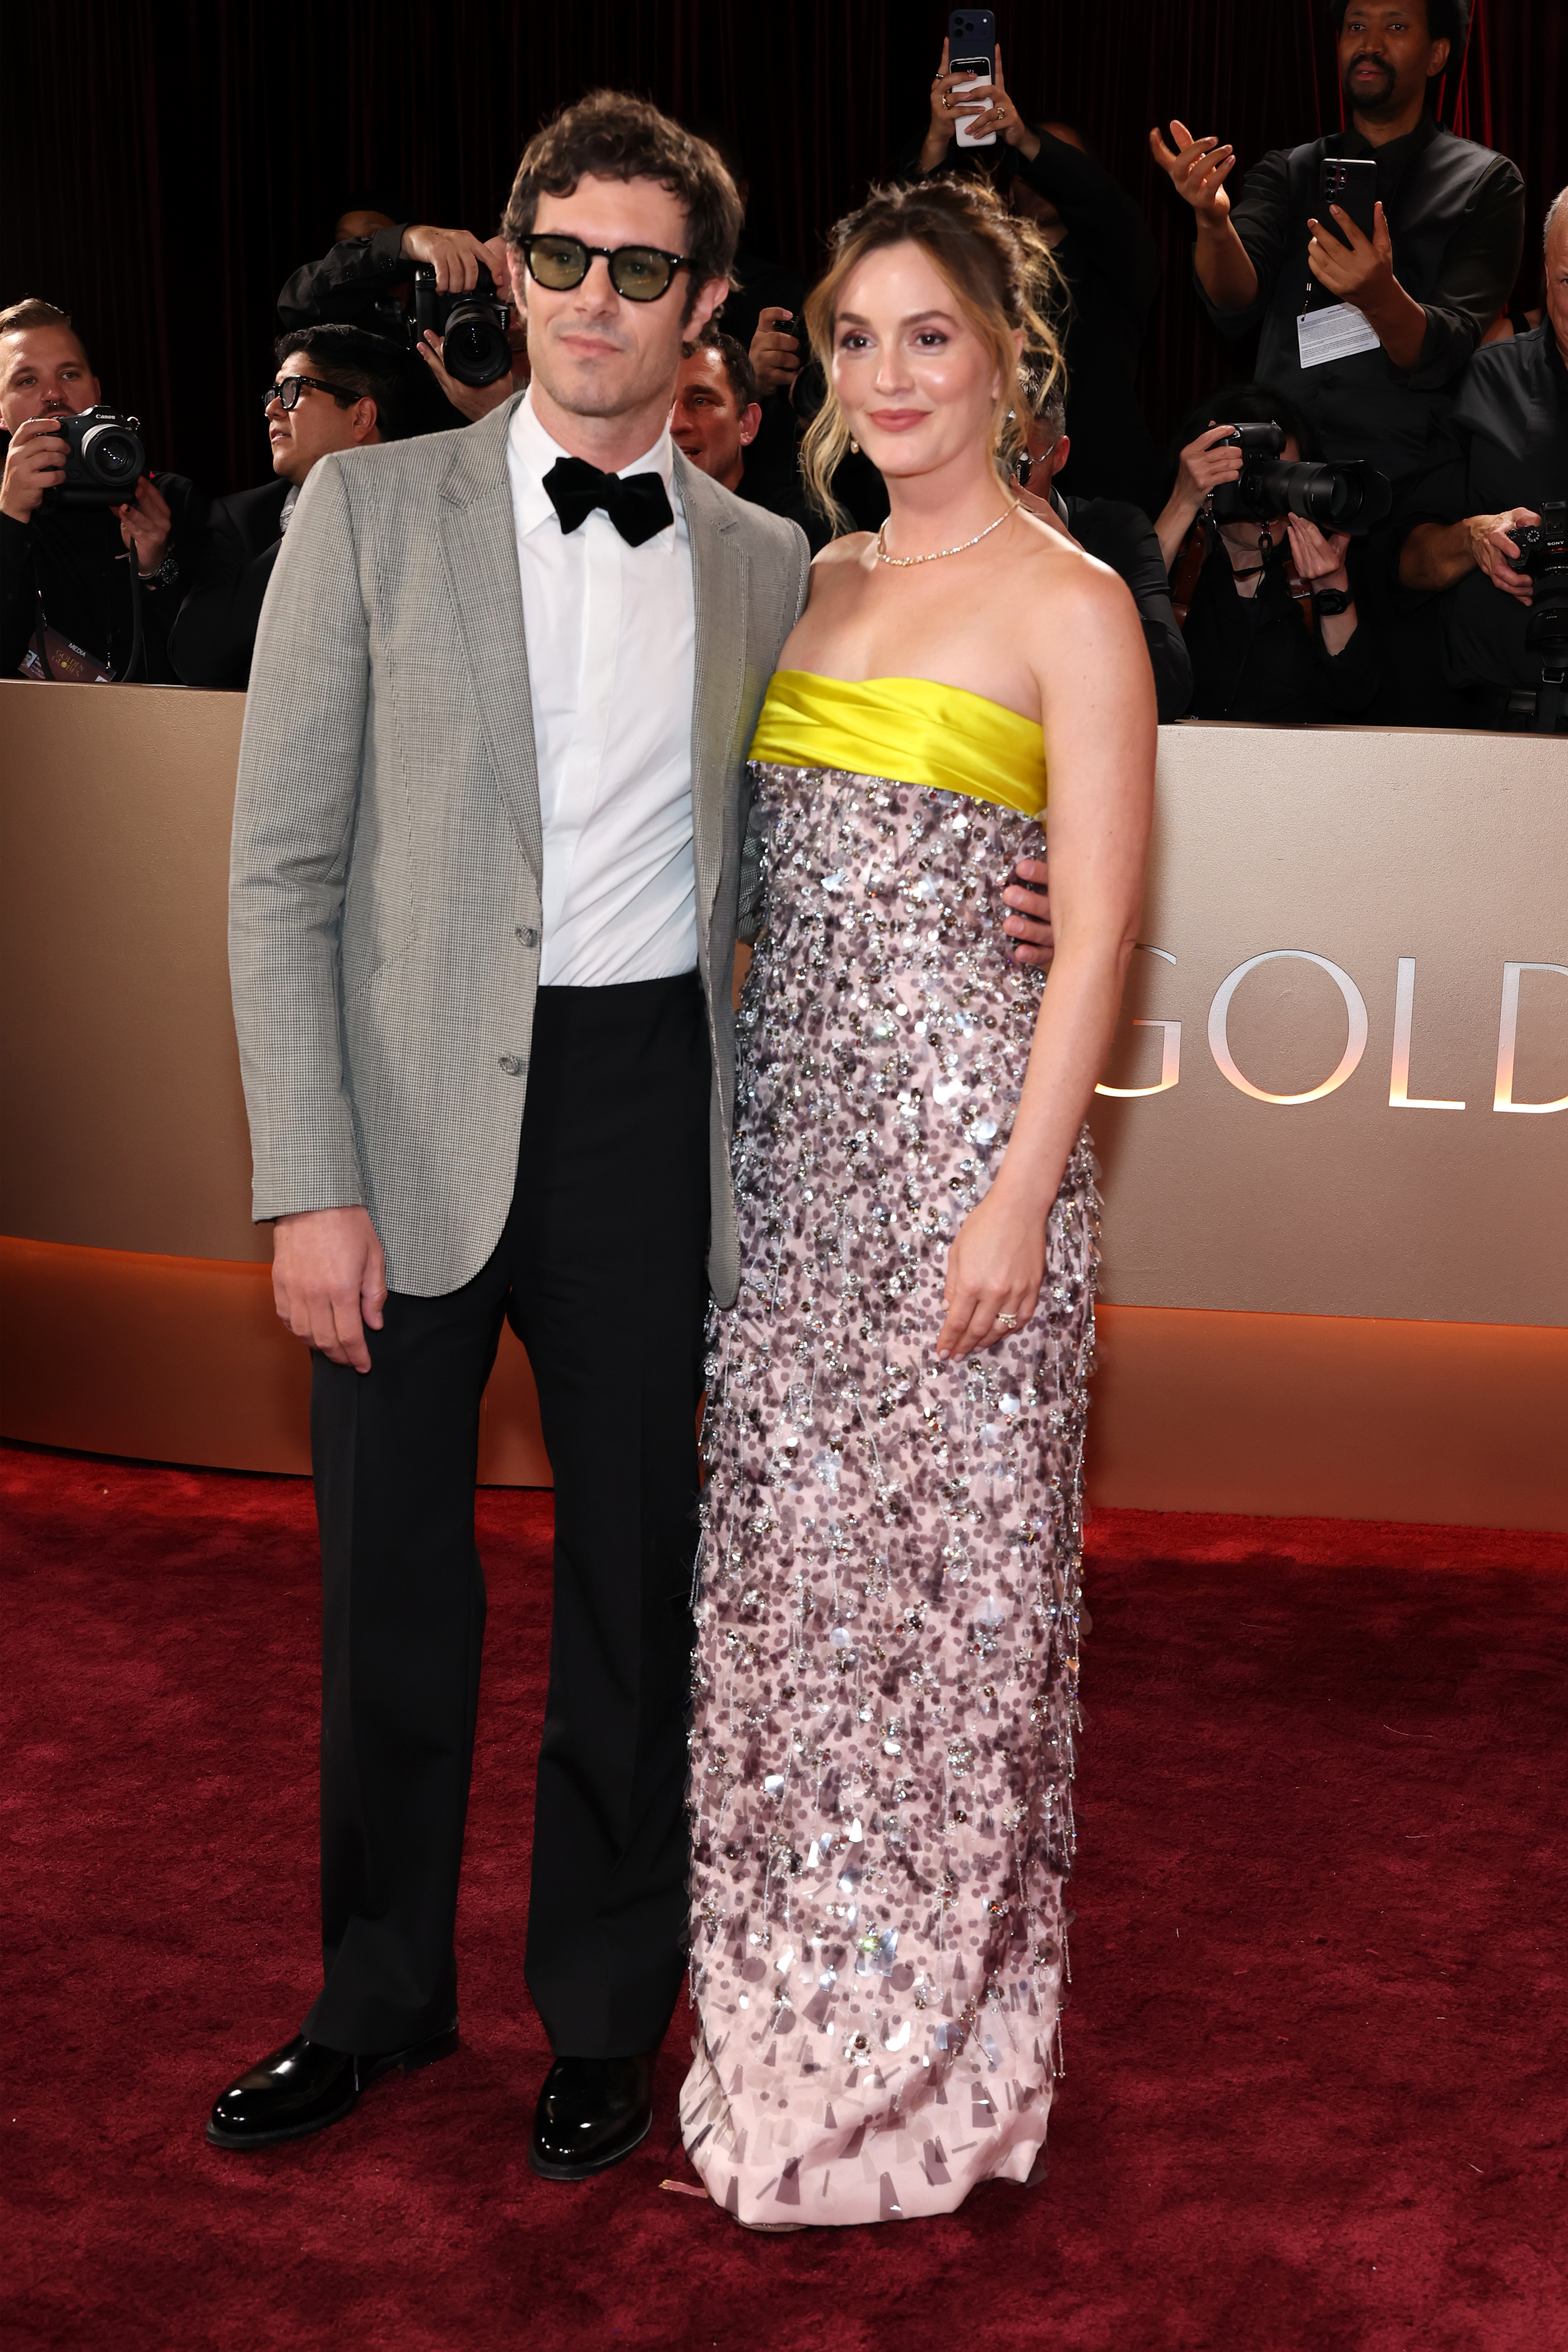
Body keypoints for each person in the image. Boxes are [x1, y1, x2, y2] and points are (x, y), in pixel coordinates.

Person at [679, 175, 1155, 2228]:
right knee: (797, 1624)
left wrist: (1017, 1197)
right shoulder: (812, 584)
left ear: (1008, 356)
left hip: (968, 1169)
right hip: (788, 1172)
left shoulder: (1074, 603)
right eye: (855, 336)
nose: (887, 374)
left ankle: (940, 2045)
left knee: (954, 1626)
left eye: (928, 336)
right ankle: (784, 2004)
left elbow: (1103, 937)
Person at [1151, 0, 1524, 488]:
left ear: (1436, 55)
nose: (1369, 45)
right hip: (1283, 470)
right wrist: (1212, 221)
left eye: (1395, 26)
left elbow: (1446, 348)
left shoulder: (1485, 182)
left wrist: (1379, 295)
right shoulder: (1289, 170)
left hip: (1407, 484)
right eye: (1355, 26)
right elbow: (1232, 299)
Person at [917, 42, 1162, 512]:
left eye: (1060, 164)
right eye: (1033, 169)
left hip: (1106, 495)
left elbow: (1113, 213)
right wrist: (935, 141)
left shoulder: (1120, 261)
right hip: (990, 490)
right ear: (1013, 184)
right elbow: (912, 241)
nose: (1049, 176)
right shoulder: (984, 271)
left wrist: (1023, 139)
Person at [1398, 189, 1568, 731]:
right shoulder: (1486, 381)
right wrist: (1476, 536)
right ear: (1545, 274)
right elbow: (1409, 561)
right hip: (1497, 733)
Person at [170, 326, 403, 691]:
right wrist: (319, 515)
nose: (271, 409)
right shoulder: (237, 520)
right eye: (273, 394)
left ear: (360, 418)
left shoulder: (429, 514)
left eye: (293, 391)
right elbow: (197, 661)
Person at [0, 298, 203, 682]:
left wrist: (157, 568)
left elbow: (211, 663)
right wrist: (10, 520)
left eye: (69, 374)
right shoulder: (4, 514)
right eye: (28, 380)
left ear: (96, 392)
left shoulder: (169, 500)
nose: (53, 395)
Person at [1154, 386, 1381, 723]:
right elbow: (1109, 652)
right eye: (1256, 475)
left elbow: (1353, 697)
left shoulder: (1324, 562)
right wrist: (1183, 501)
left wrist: (1331, 588)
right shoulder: (1172, 567)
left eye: (1286, 475)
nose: (1273, 494)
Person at [1020, 391, 1192, 720]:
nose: (1006, 484)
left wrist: (1077, 567)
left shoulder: (1116, 532)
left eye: (1021, 466)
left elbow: (1169, 689)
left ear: (1059, 455)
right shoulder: (932, 539)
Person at [277, 207, 520, 429]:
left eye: (497, 303)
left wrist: (496, 417)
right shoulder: (409, 350)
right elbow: (298, 305)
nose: (483, 316)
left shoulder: (554, 385)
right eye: (473, 294)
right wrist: (402, 242)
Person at [670, 328, 761, 494]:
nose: (674, 425)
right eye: (661, 405)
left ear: (747, 423)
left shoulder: (788, 518)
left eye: (700, 401)